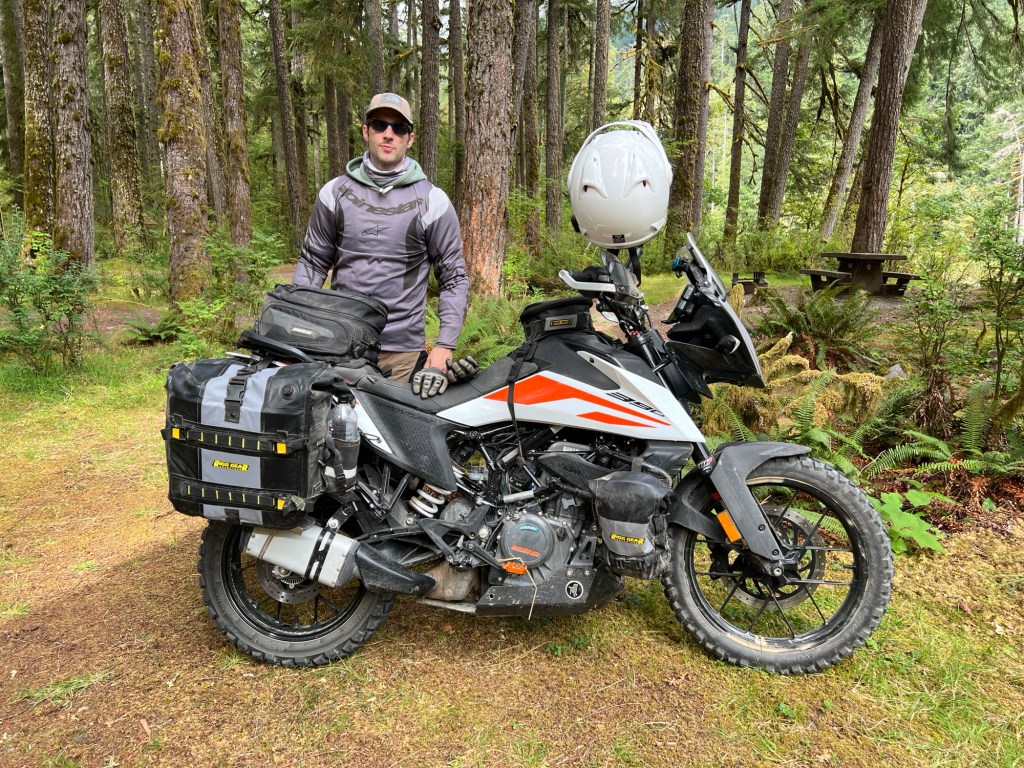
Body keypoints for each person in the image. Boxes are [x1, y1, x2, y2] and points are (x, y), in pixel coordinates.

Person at [293, 92, 470, 394]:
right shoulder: (334, 193)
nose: (389, 134)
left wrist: (444, 346)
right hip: (339, 344)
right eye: (379, 125)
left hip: (402, 353)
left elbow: (454, 277)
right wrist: (298, 327)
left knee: (397, 425)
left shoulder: (433, 201)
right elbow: (313, 263)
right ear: (366, 131)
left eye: (399, 128)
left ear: (409, 139)